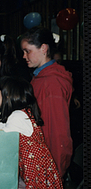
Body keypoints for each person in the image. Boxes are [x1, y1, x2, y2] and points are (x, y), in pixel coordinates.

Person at [20, 26, 73, 178]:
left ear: (43, 48)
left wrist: (55, 172)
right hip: (39, 159)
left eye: (27, 51)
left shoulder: (52, 83)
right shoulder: (40, 77)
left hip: (48, 164)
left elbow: (57, 133)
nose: (24, 56)